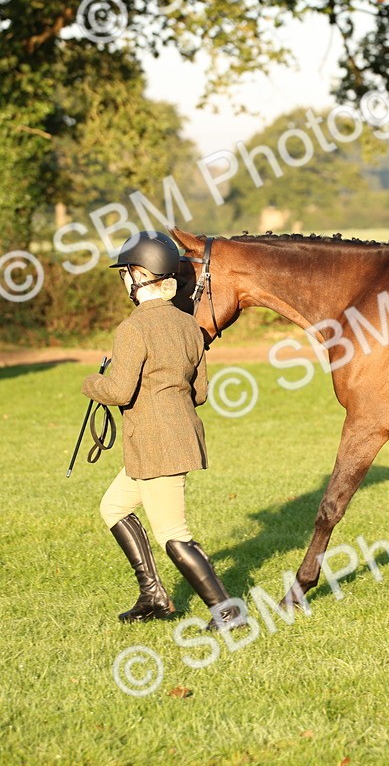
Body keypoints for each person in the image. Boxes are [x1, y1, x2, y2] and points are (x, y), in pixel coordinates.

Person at [81, 232, 244, 630]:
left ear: (138, 278)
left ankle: (228, 613)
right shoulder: (192, 328)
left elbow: (118, 391)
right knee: (114, 507)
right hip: (177, 436)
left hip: (155, 443)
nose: (124, 283)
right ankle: (153, 596)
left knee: (173, 533)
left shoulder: (132, 329)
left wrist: (92, 383)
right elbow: (200, 392)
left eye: (125, 275)